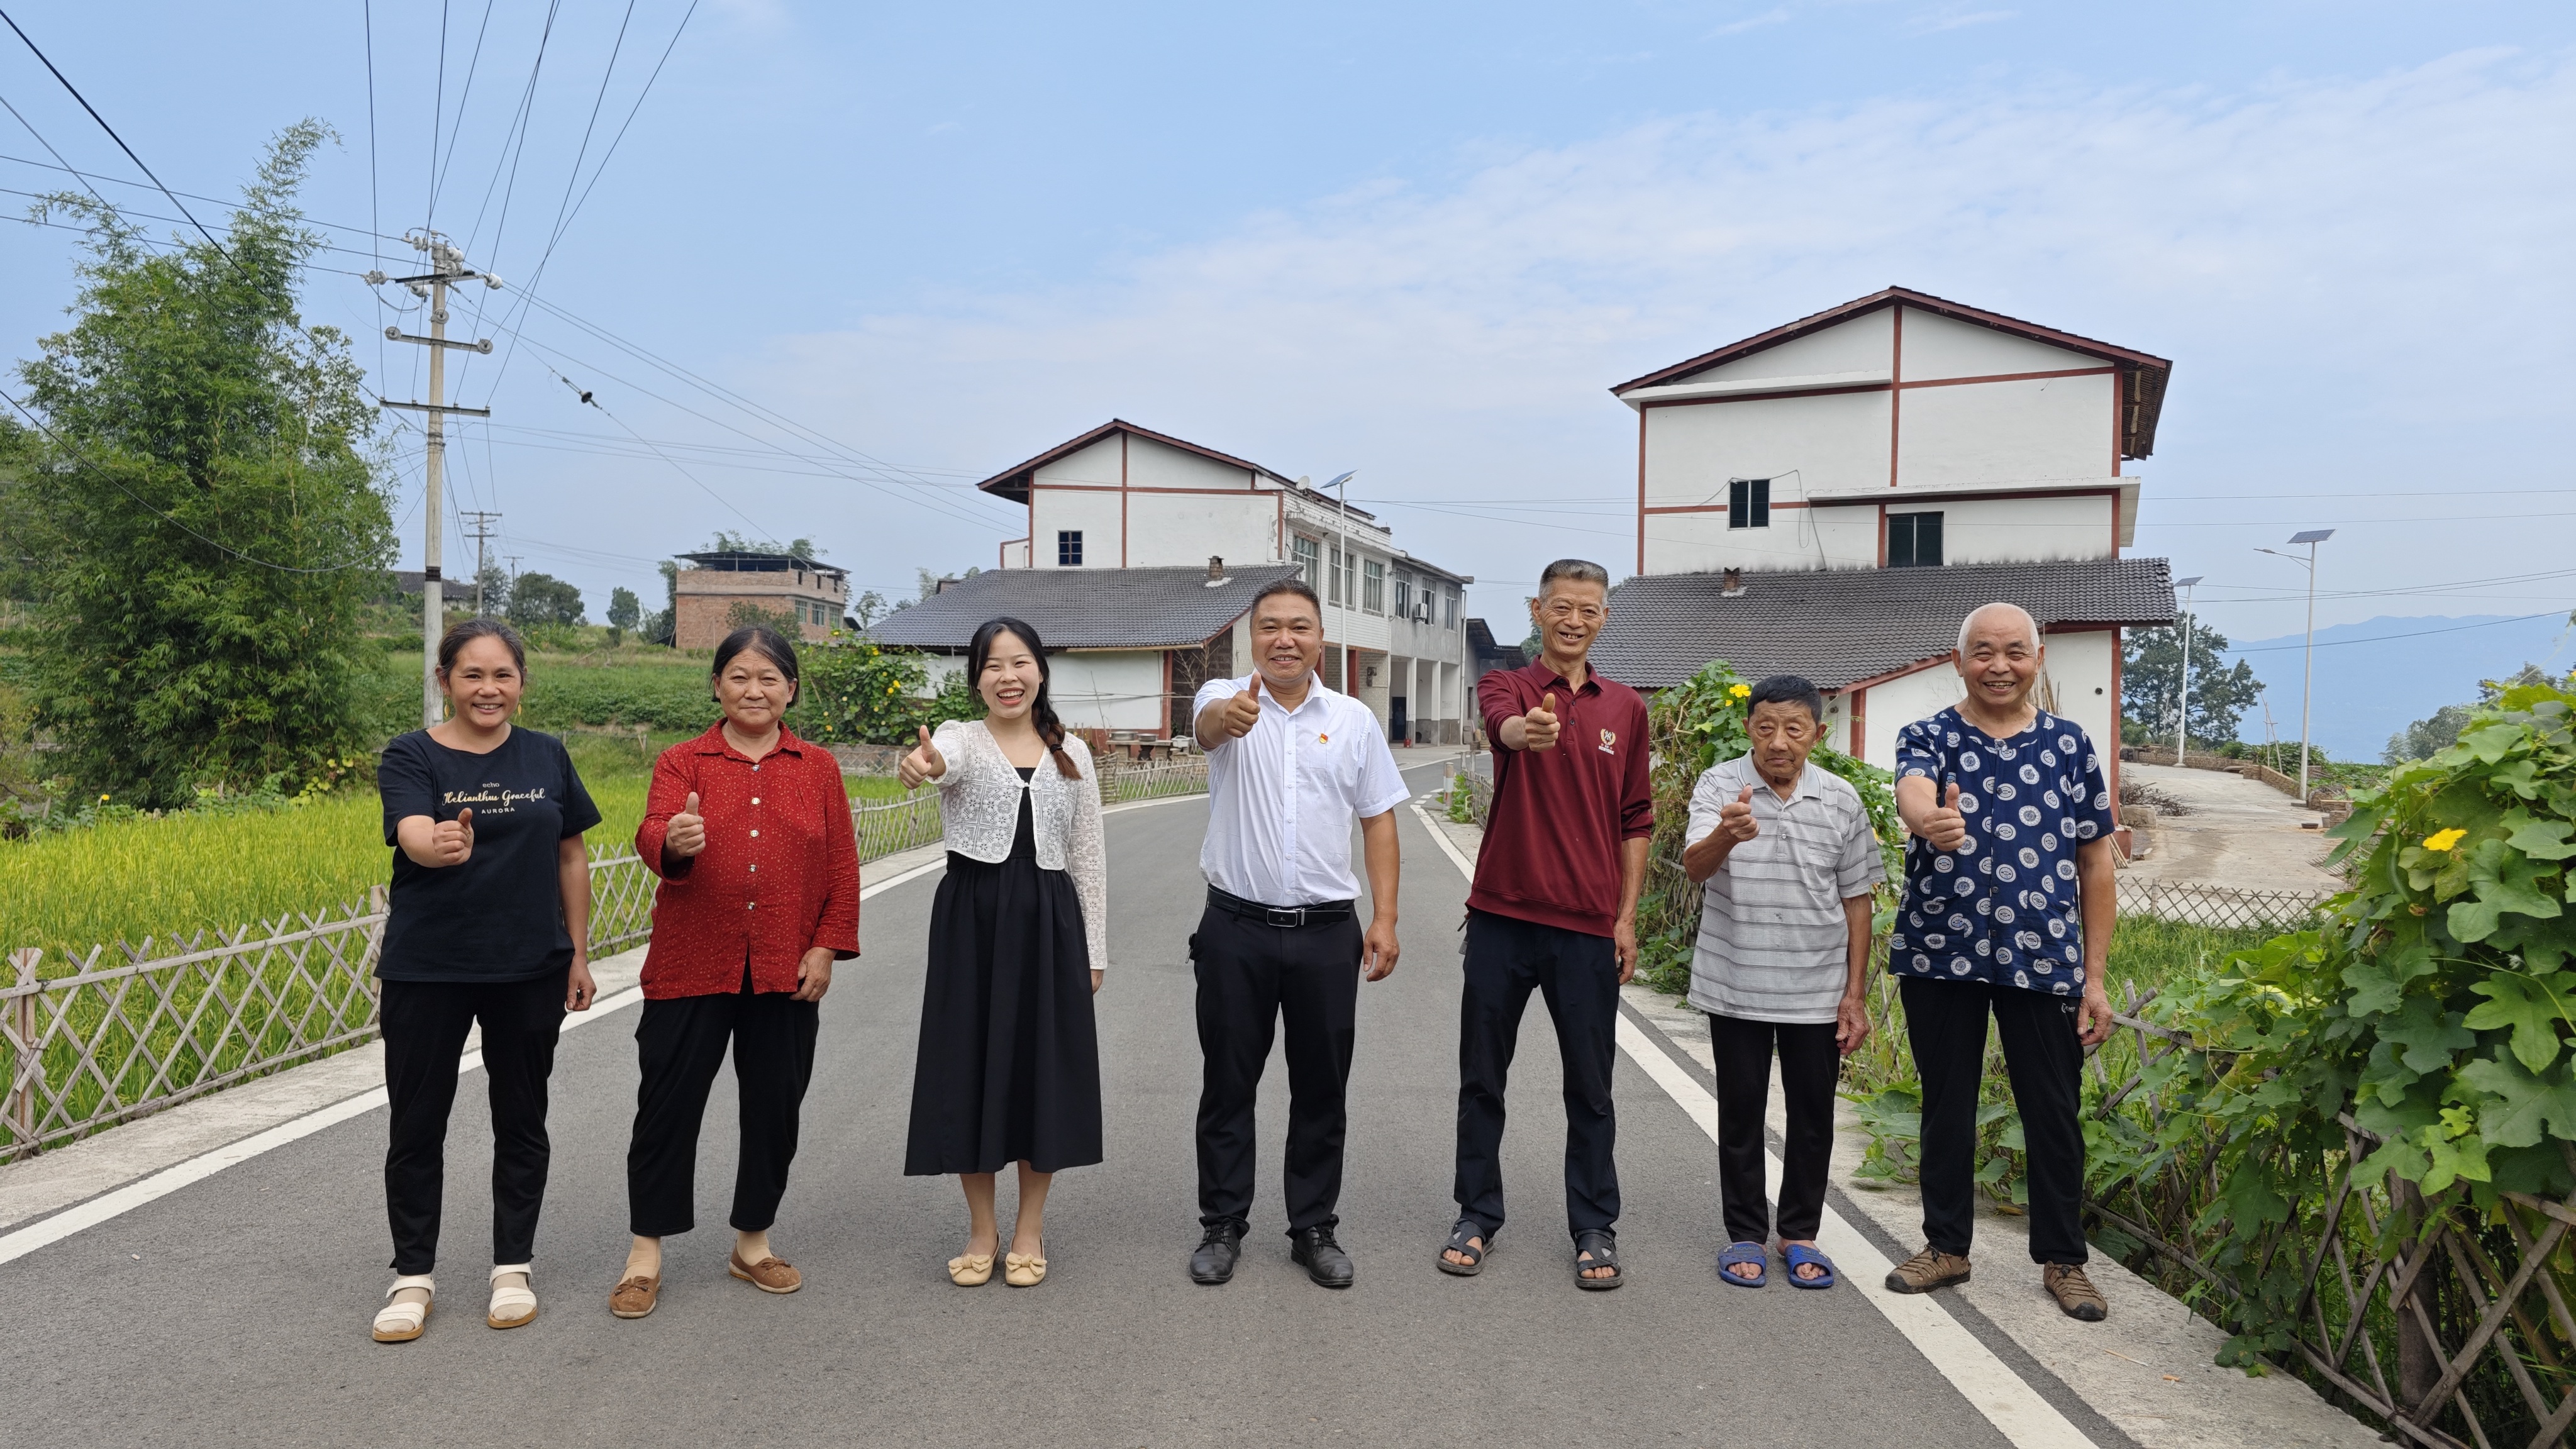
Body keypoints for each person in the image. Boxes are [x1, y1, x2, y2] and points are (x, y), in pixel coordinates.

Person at [610, 627, 860, 1320]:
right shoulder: (682, 761)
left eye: (770, 679)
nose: (755, 690)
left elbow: (840, 865)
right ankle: (644, 1254)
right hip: (691, 964)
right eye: (740, 677)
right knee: (667, 1109)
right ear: (717, 686)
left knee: (773, 1109)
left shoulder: (817, 767)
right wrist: (674, 843)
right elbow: (654, 833)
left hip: (785, 967)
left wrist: (827, 946)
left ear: (791, 691)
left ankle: (752, 1243)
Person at [1884, 602, 2118, 1322]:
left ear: (2037, 661)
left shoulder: (2070, 746)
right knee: (1944, 1104)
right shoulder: (1927, 736)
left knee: (2052, 1109)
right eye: (1982, 651)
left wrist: (2097, 976)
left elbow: (2094, 863)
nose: (1998, 665)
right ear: (1959, 661)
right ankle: (1946, 1247)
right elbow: (1911, 790)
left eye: (2014, 652)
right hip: (1940, 952)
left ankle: (2064, 1260)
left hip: (2044, 956)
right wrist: (1930, 820)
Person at [370, 618, 600, 1343]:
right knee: (416, 1124)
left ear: (521, 686)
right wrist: (436, 844)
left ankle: (512, 1267)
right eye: (472, 675)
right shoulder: (411, 755)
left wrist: (578, 953)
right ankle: (412, 1277)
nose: (488, 689)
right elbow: (411, 831)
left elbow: (571, 857)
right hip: (428, 969)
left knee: (522, 1119)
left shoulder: (547, 756)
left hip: (529, 966)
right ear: (445, 681)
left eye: (502, 675)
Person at [1185, 579, 1409, 1290]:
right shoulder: (1222, 697)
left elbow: (1377, 818)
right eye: (1271, 626)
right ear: (1251, 637)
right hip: (1234, 928)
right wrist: (1232, 715)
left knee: (1321, 1088)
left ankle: (1313, 1227)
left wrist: (1385, 917)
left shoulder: (1351, 721)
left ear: (1321, 638)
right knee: (1228, 1084)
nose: (1285, 638)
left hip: (1323, 936)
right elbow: (1208, 726)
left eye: (1300, 627)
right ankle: (1222, 1225)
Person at [1441, 558, 1652, 1289]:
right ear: (1537, 610)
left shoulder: (1625, 708)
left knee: (1591, 1086)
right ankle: (1476, 1213)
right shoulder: (1509, 685)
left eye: (1588, 609)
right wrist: (1522, 733)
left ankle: (1594, 1224)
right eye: (1560, 606)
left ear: (1603, 619)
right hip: (1501, 917)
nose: (1573, 620)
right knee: (1482, 1078)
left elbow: (1636, 818)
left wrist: (1626, 917)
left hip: (1589, 929)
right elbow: (1501, 728)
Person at [897, 617, 1108, 1289]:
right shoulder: (961, 739)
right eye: (992, 666)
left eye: (1019, 663)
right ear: (976, 678)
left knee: (1040, 1072)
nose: (1007, 677)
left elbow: (1088, 856)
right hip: (972, 925)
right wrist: (922, 764)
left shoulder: (1073, 750)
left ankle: (1028, 1229)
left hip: (1050, 925)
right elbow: (937, 764)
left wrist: (1094, 951)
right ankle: (982, 1229)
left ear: (1040, 670)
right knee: (969, 1069)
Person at [1681, 675, 1884, 1291]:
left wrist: (1854, 996)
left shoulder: (1844, 800)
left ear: (1817, 734)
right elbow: (1694, 867)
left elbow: (1857, 901)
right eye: (1765, 726)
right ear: (1748, 728)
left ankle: (1799, 1233)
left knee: (1813, 1117)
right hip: (1735, 981)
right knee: (1741, 1114)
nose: (1778, 741)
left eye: (1793, 729)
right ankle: (1744, 1233)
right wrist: (1726, 832)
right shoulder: (1720, 785)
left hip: (1817, 989)